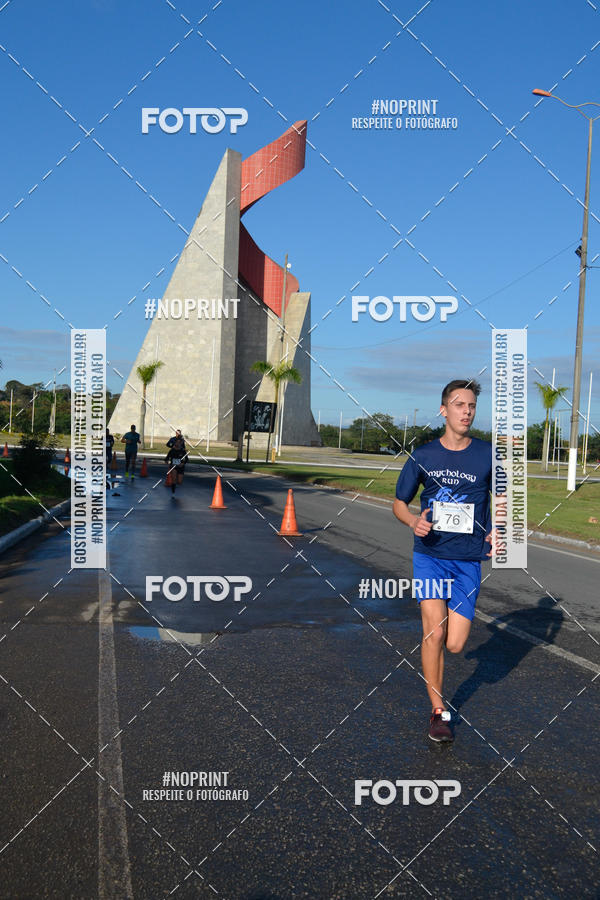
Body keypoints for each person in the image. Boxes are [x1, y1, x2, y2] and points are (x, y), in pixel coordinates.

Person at [393, 379, 497, 743]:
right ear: (444, 410)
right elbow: (399, 503)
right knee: (433, 632)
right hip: (431, 556)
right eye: (459, 404)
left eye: (471, 405)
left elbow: (502, 499)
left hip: (468, 560)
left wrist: (497, 528)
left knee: (455, 644)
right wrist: (412, 521)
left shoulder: (487, 454)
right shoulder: (424, 456)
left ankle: (439, 691)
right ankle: (438, 712)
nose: (466, 411)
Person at [165, 429, 187, 496]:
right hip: (173, 466)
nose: (178, 443)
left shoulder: (183, 450)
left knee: (179, 482)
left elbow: (186, 459)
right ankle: (173, 493)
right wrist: (169, 462)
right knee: (174, 480)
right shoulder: (172, 450)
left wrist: (182, 463)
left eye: (179, 443)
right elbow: (166, 459)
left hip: (180, 466)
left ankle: (176, 482)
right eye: (177, 442)